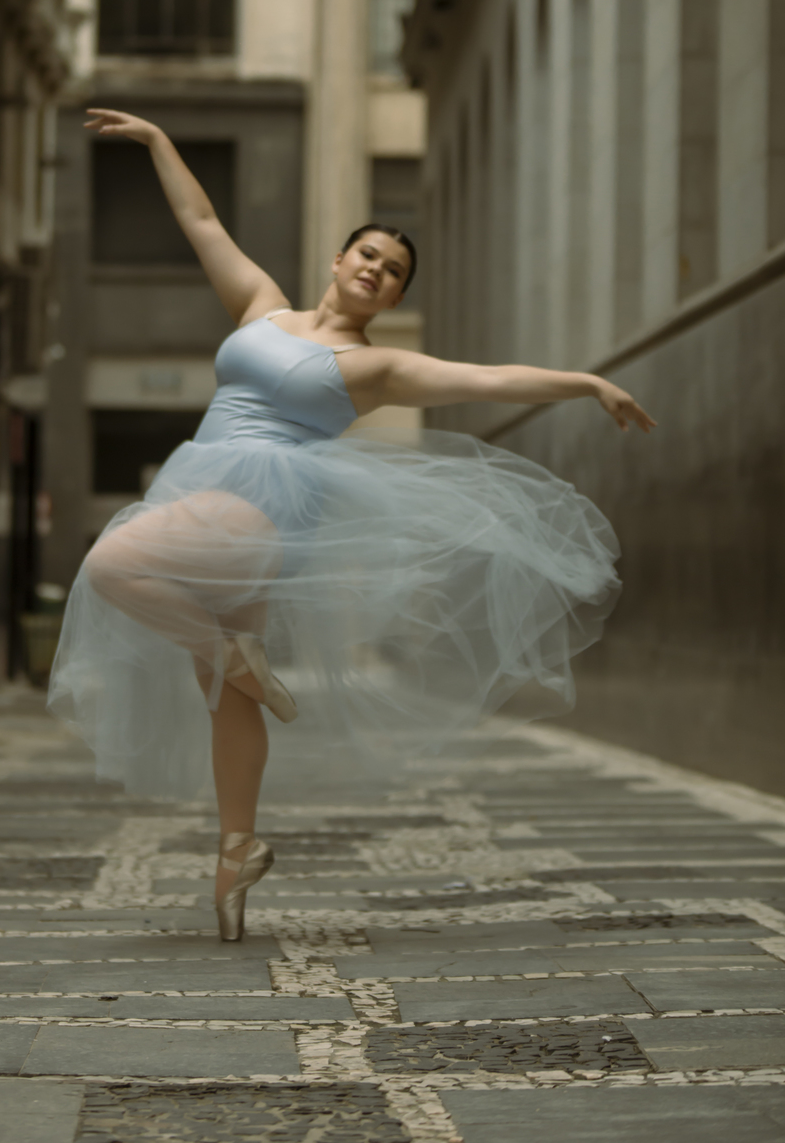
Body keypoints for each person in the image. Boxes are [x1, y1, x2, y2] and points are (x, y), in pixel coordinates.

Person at [48, 111, 654, 940]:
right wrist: (158, 141)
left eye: (394, 271)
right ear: (338, 261)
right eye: (368, 254)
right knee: (222, 691)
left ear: (396, 297)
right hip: (210, 482)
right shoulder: (261, 306)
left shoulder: (378, 366)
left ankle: (236, 657)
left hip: (264, 499)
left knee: (113, 566)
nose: (377, 269)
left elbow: (487, 378)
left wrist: (585, 383)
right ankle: (237, 850)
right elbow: (201, 221)